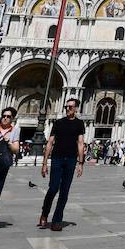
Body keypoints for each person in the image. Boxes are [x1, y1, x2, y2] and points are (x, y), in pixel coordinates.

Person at [39, 98, 86, 231]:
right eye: (66, 107)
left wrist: (80, 163)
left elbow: (81, 143)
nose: (68, 109)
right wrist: (44, 163)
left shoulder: (79, 124)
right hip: (57, 158)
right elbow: (50, 143)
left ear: (76, 108)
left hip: (71, 159)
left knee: (64, 192)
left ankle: (57, 221)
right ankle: (44, 213)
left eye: (70, 107)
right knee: (53, 188)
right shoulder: (58, 123)